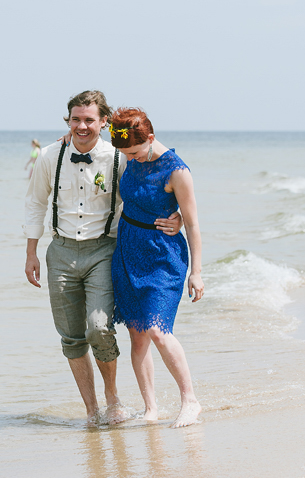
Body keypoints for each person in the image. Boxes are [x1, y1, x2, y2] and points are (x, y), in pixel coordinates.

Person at [23, 91, 182, 426]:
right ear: (67, 122)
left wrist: (178, 214)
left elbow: (154, 176)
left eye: (89, 120)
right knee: (71, 336)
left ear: (104, 122)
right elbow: (35, 203)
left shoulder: (119, 156)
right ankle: (92, 411)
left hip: (104, 250)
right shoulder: (50, 156)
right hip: (60, 252)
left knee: (99, 327)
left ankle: (113, 399)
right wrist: (31, 252)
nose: (82, 126)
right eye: (75, 120)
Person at [109, 107, 204, 428]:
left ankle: (190, 401)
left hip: (163, 256)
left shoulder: (177, 172)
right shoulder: (130, 151)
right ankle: (151, 408)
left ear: (151, 138)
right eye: (124, 153)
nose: (129, 158)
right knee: (137, 336)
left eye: (134, 152)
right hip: (127, 252)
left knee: (157, 330)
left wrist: (197, 272)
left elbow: (192, 224)